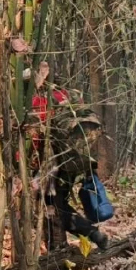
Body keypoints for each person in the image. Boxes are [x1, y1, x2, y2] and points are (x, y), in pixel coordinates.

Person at [26, 65, 111, 251]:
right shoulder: (70, 94)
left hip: (52, 165)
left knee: (51, 209)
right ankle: (83, 239)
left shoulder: (38, 101)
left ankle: (61, 254)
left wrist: (28, 165)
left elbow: (35, 139)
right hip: (76, 162)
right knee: (57, 205)